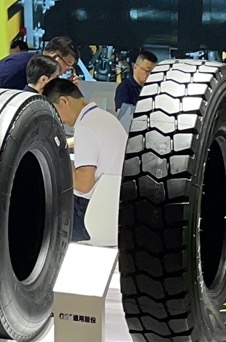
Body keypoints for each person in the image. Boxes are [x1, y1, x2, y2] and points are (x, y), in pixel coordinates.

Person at [43, 78, 126, 244]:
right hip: (114, 208)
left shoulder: (85, 127)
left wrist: (58, 158)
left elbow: (83, 184)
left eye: (56, 112)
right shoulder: (106, 118)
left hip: (89, 212)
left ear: (64, 101)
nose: (59, 120)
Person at [116, 50, 159, 125]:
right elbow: (124, 118)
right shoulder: (125, 88)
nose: (150, 75)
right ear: (135, 67)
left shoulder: (153, 88)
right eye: (147, 71)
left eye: (153, 72)